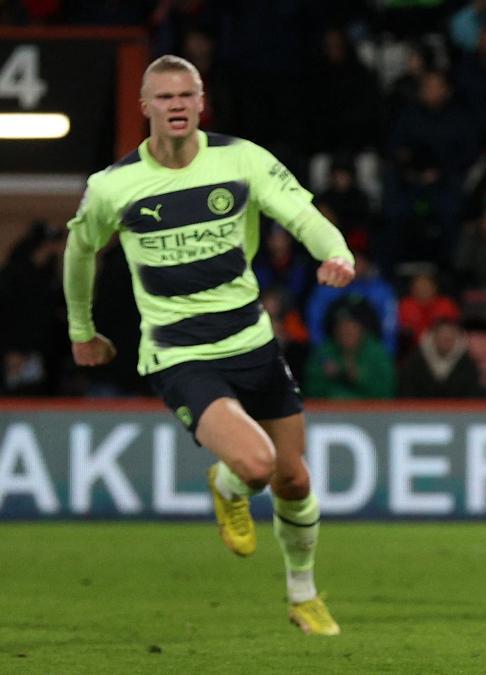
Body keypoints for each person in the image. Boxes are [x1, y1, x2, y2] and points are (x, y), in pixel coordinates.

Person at [62, 55, 355, 636]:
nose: (176, 105)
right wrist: (80, 329)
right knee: (256, 464)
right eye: (164, 97)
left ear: (201, 102)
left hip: (252, 342)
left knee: (293, 480)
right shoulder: (113, 187)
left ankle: (303, 595)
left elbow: (301, 214)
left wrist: (336, 252)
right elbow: (79, 253)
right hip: (180, 353)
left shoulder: (241, 160)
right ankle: (226, 483)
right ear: (145, 107)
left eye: (186, 95)